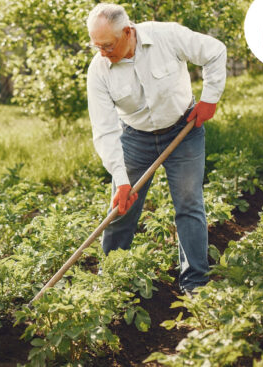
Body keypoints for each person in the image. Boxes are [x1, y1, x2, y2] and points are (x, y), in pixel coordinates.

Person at [85, 3, 226, 294]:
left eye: (107, 45)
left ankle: (195, 283)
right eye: (95, 45)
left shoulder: (166, 36)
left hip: (183, 129)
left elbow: (215, 51)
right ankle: (111, 279)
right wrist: (122, 181)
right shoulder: (99, 69)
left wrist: (210, 98)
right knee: (121, 208)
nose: (102, 52)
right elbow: (105, 129)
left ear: (128, 32)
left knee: (189, 205)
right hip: (135, 138)